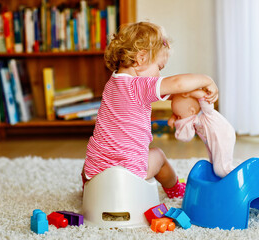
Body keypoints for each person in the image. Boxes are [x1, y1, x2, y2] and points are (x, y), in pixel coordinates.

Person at [81, 22, 218, 199]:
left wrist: (194, 92)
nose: (159, 76)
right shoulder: (139, 86)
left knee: (92, 159)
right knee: (158, 156)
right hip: (129, 174)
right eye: (159, 68)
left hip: (95, 172)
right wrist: (207, 81)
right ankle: (174, 189)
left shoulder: (112, 84)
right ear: (141, 58)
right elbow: (177, 84)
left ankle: (89, 190)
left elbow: (173, 92)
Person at [168, 90, 235, 178]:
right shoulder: (192, 118)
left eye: (179, 116)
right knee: (214, 164)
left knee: (221, 168)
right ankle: (221, 181)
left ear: (191, 111)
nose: (178, 119)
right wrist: (173, 118)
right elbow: (185, 133)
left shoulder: (207, 113)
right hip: (213, 142)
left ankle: (241, 176)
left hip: (223, 137)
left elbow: (203, 98)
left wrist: (190, 93)